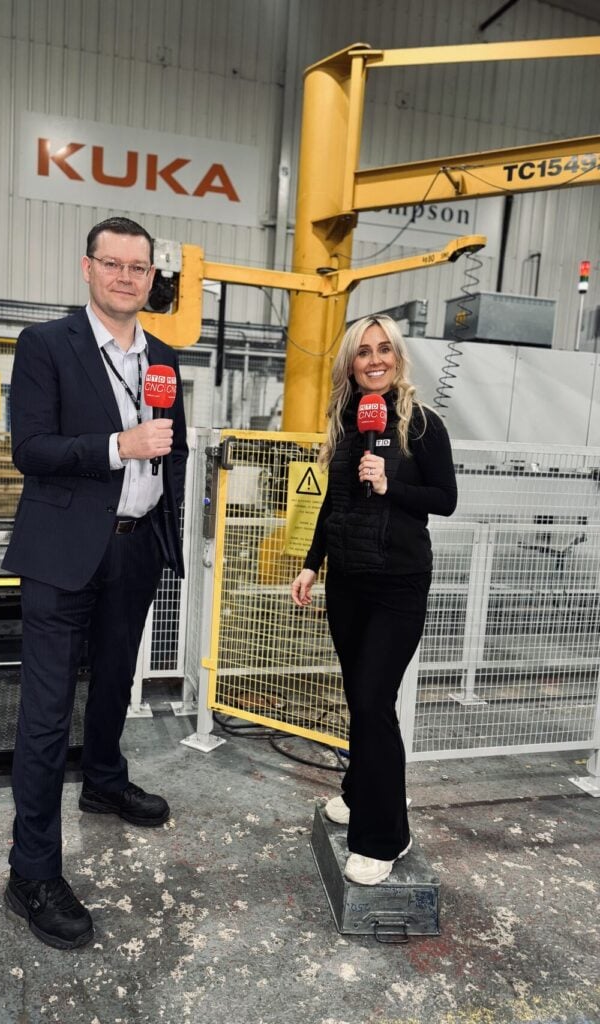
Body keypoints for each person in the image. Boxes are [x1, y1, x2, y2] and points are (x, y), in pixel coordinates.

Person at [1, 216, 188, 949]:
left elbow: (171, 453)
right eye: (113, 264)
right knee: (47, 716)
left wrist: (165, 531)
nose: (126, 277)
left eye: (139, 267)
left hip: (134, 549)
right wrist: (118, 445)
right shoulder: (47, 345)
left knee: (115, 683)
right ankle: (31, 873)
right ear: (88, 268)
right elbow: (30, 449)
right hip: (61, 554)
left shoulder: (164, 358)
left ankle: (105, 781)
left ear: (151, 278)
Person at [291, 314, 456, 886]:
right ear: (351, 364)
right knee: (359, 697)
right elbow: (333, 503)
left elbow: (445, 498)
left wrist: (390, 485)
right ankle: (360, 790)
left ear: (397, 357)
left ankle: (385, 836)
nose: (375, 359)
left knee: (371, 700)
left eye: (384, 349)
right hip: (349, 582)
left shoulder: (422, 424)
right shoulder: (345, 420)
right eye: (364, 352)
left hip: (398, 584)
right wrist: (312, 564)